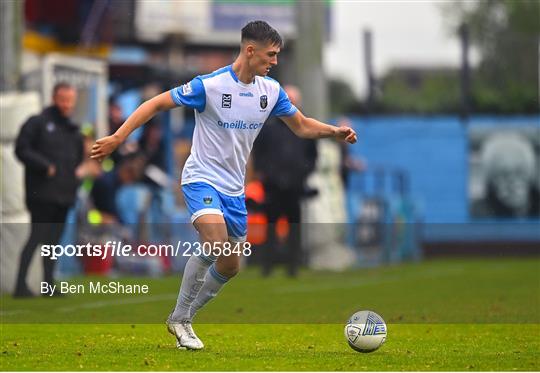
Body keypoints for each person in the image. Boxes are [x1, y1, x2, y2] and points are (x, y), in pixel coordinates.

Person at [91, 20, 357, 350]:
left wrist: (334, 132)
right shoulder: (211, 85)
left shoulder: (270, 91)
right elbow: (156, 104)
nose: (274, 62)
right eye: (271, 55)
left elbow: (301, 126)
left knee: (230, 265)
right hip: (201, 178)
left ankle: (182, 315)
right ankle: (182, 320)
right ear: (250, 51)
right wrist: (119, 136)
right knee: (215, 242)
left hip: (233, 189)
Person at [14, 82, 83, 297]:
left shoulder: (73, 130)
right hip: (41, 194)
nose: (66, 105)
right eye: (63, 99)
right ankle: (20, 285)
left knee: (54, 242)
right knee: (37, 237)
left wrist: (74, 181)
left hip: (64, 195)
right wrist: (45, 166)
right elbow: (21, 149)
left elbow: (78, 160)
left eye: (70, 100)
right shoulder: (37, 123)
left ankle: (48, 284)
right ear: (54, 98)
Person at [252, 85, 317, 277]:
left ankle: (293, 266)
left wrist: (304, 172)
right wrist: (263, 173)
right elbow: (259, 152)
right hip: (272, 185)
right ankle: (267, 266)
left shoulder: (305, 125)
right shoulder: (269, 126)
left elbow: (312, 155)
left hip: (295, 186)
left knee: (294, 226)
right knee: (270, 226)